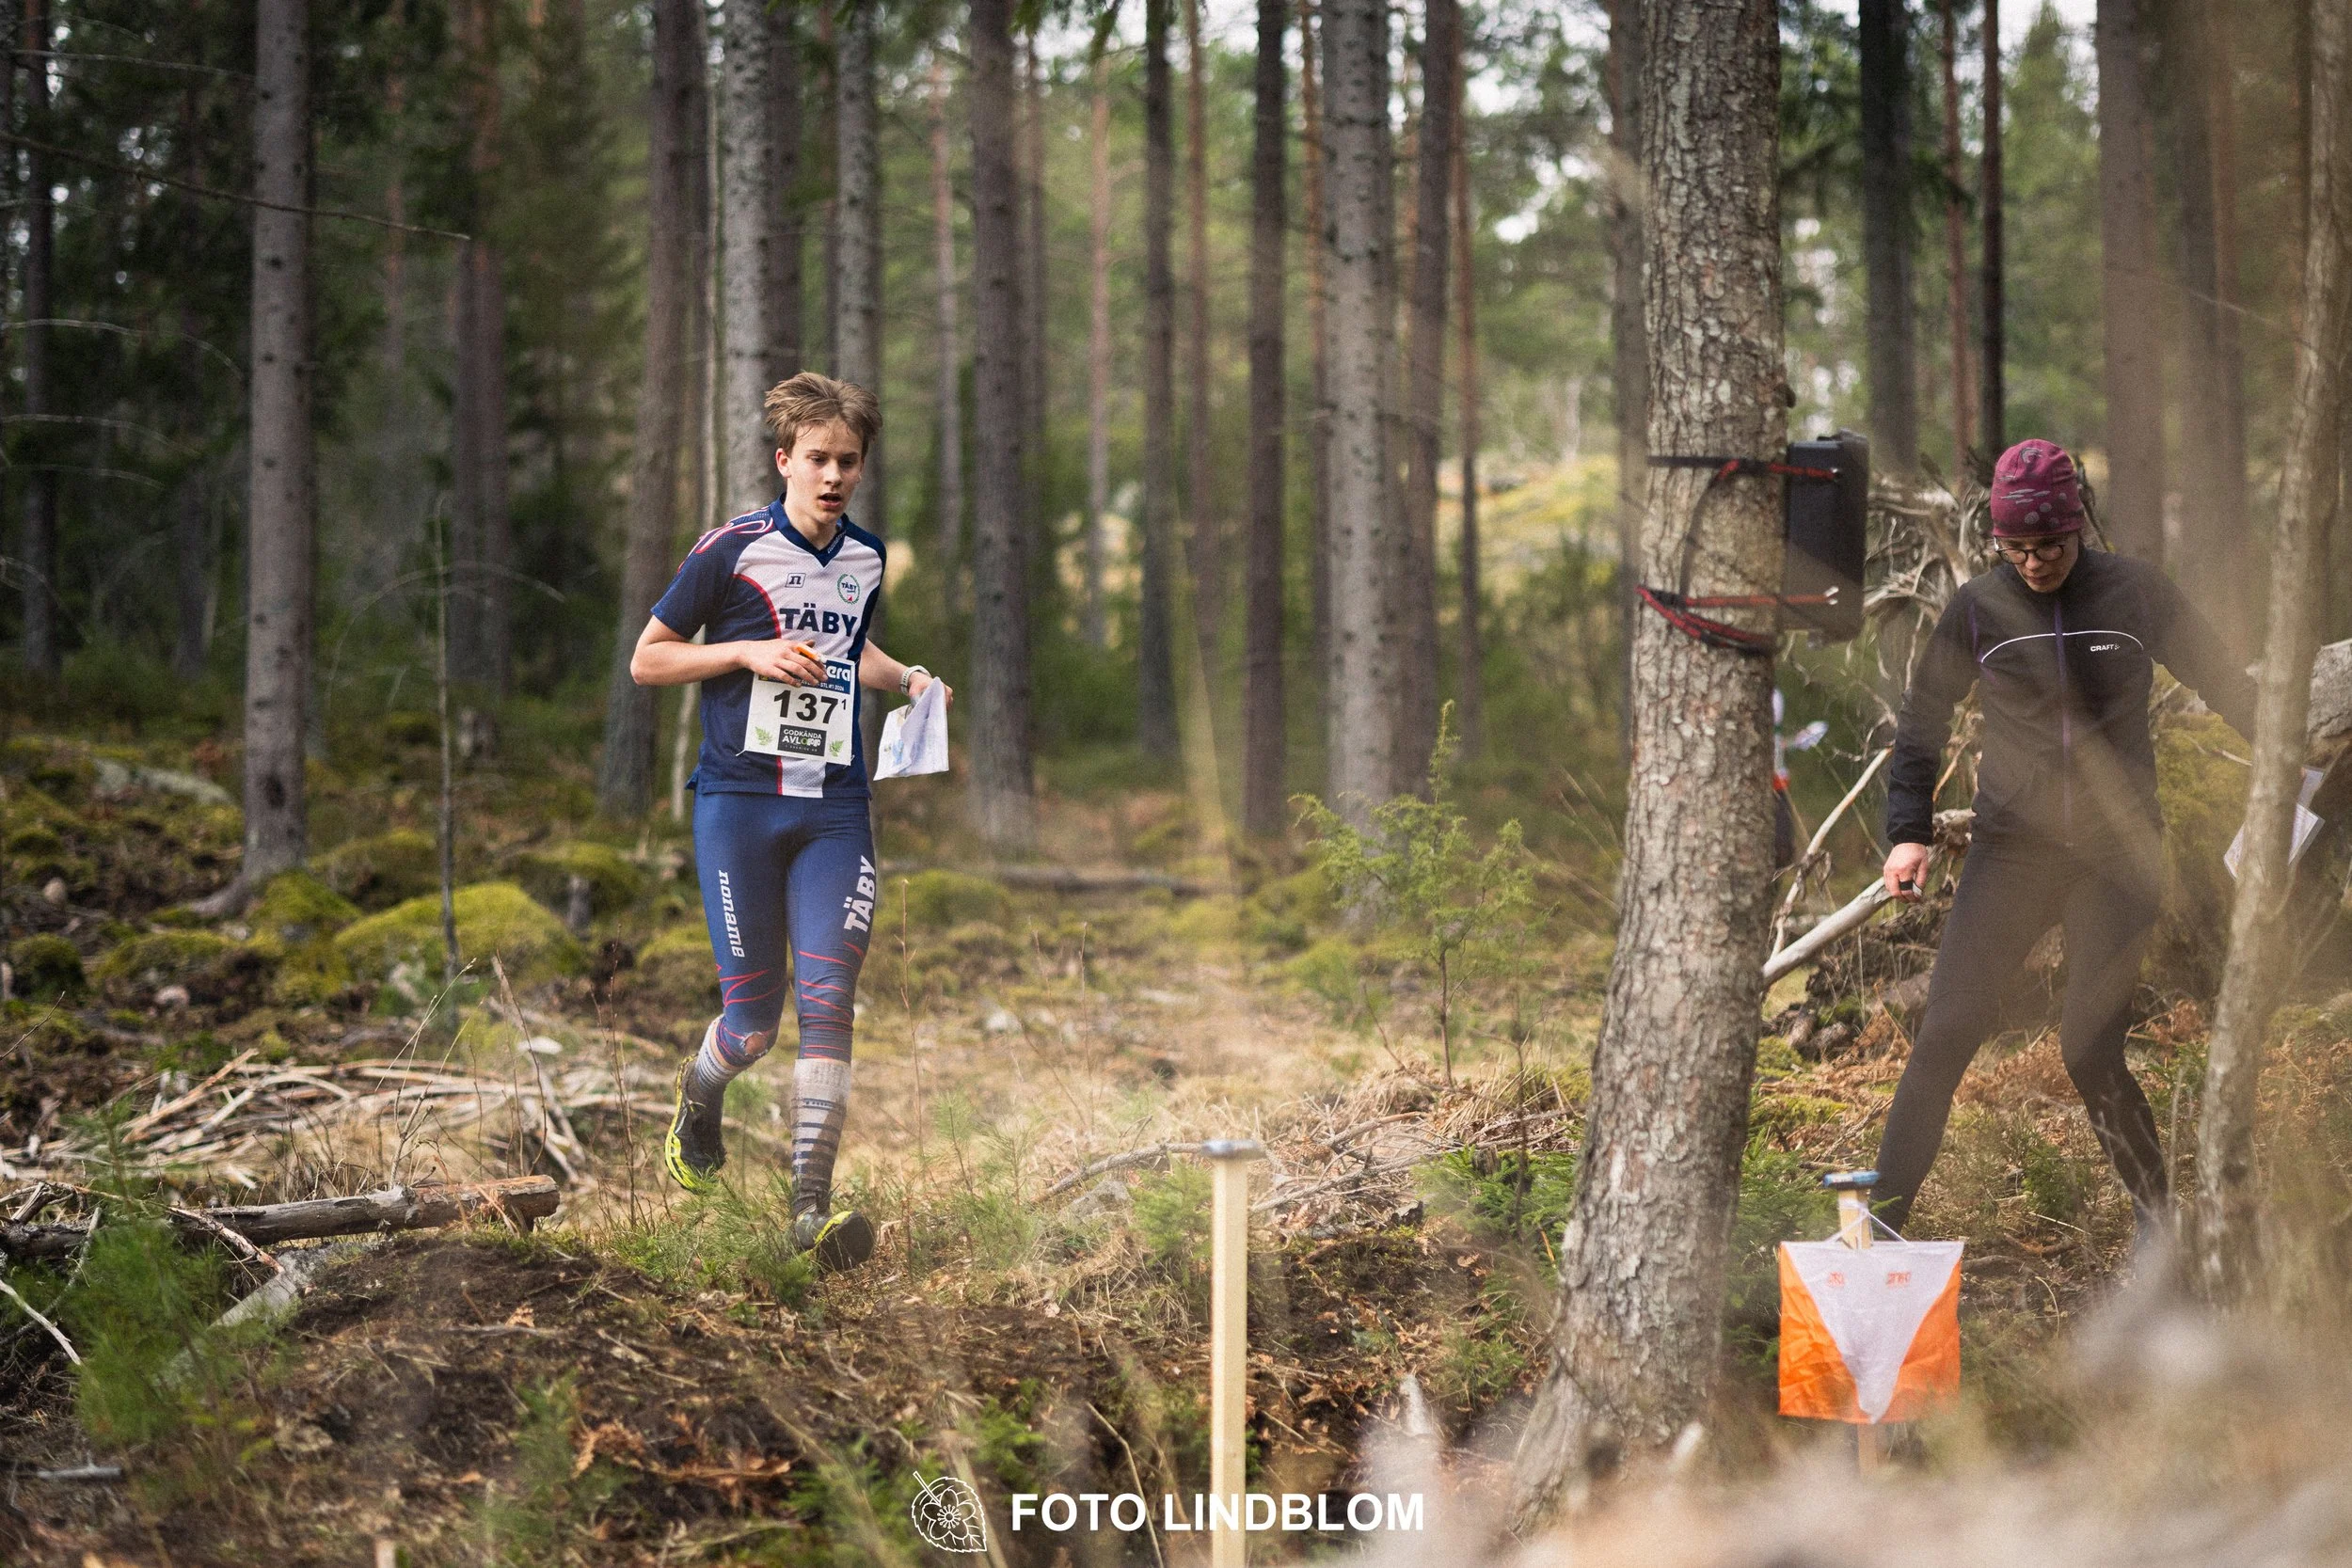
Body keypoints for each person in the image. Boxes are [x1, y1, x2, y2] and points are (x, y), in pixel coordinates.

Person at [1873, 438, 2253, 1244]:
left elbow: (2226, 682)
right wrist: (1908, 832)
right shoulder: (1978, 608)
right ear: (1997, 543)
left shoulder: (2136, 593)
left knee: (2087, 1047)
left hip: (2118, 857)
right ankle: (1875, 1231)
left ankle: (2161, 1231)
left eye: (2050, 544)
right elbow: (1922, 724)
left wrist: (2287, 757)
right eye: (2017, 548)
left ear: (2079, 527)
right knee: (1944, 1033)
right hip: (2011, 852)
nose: (2036, 562)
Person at [628, 371, 950, 1272]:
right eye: (818, 458)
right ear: (785, 461)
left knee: (830, 1000)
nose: (834, 475)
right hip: (738, 805)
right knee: (754, 1024)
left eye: (849, 461)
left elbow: (851, 647)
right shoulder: (730, 550)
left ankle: (810, 1210)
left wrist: (909, 679)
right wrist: (745, 650)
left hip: (834, 809)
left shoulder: (867, 558)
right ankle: (701, 1090)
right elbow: (646, 662)